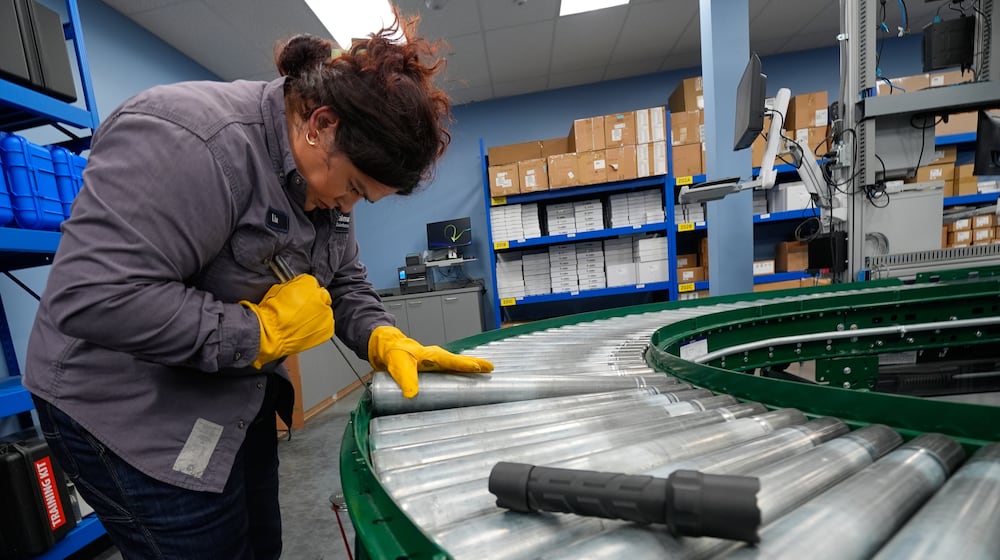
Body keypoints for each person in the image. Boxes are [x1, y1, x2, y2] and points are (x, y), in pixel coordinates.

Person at [23, 11, 492, 559]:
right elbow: (94, 295)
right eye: (354, 191)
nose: (347, 207)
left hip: (230, 396)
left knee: (260, 545)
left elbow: (343, 279)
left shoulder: (325, 171)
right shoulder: (188, 140)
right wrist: (259, 331)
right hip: (124, 408)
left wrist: (382, 338)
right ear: (321, 123)